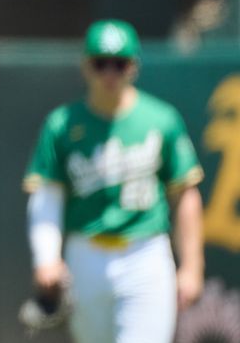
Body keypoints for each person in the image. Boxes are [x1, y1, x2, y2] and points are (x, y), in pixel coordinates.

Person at [22, 19, 204, 343]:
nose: (109, 73)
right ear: (85, 66)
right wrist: (46, 258)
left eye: (119, 63)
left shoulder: (160, 119)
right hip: (86, 254)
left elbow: (185, 194)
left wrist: (192, 265)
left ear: (133, 66)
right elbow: (48, 195)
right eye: (100, 63)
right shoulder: (62, 125)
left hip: (145, 253)